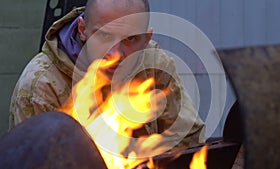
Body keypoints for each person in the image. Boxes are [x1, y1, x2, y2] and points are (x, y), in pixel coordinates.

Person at [9, 0, 205, 154]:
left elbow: (188, 140)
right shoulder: (41, 85)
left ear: (146, 39)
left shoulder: (154, 64)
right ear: (82, 30)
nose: (115, 54)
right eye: (104, 36)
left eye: (130, 39)